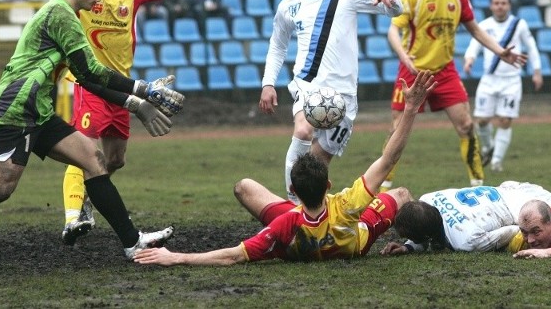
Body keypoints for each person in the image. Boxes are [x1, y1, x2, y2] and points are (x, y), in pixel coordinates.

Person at [20, 0, 245, 245]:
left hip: (120, 87)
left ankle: (92, 198)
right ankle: (72, 217)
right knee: (85, 150)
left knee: (115, 160)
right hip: (91, 84)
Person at [133, 70, 437, 266]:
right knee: (400, 192)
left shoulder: (283, 227)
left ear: (293, 191)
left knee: (243, 186)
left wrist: (176, 257)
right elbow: (389, 159)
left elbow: (233, 255)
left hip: (298, 228)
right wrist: (410, 108)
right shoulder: (347, 205)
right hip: (356, 241)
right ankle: (414, 244)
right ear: (328, 187)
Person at [0, 0, 180, 260]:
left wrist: (135, 104)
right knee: (0, 188)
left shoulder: (67, 14)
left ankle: (133, 244)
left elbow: (86, 80)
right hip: (17, 109)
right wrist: (142, 90)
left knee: (93, 160)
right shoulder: (61, 14)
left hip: (37, 111)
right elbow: (92, 72)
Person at [258, 0, 402, 203]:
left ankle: (311, 210)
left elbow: (396, 11)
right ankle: (292, 207)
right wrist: (268, 83)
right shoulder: (288, 6)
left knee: (318, 163)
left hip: (344, 95)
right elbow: (277, 46)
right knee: (302, 131)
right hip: (307, 85)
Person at [380, 0, 527, 192]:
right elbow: (393, 29)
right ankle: (382, 187)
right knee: (397, 131)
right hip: (413, 71)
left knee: (467, 126)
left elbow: (475, 29)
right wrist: (403, 56)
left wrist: (500, 51)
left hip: (445, 71)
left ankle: (479, 183)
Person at [463, 0, 542, 173]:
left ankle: (497, 161)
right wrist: (469, 59)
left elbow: (532, 48)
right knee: (481, 121)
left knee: (505, 120)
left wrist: (537, 72)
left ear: (509, 5)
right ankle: (489, 146)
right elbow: (474, 45)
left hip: (511, 80)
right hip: (489, 80)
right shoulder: (484, 25)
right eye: (496, 3)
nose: (500, 6)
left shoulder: (519, 25)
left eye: (503, 3)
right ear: (491, 5)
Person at [380, 181, 551, 254]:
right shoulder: (427, 198)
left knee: (550, 233)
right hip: (509, 187)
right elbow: (431, 229)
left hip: (537, 202)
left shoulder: (464, 240)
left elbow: (513, 230)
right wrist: (407, 247)